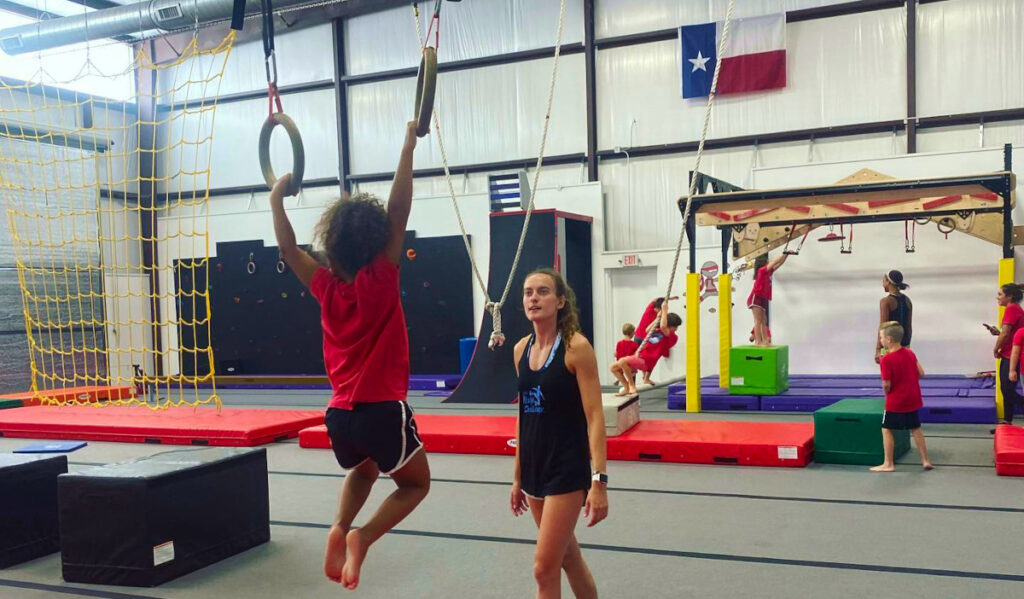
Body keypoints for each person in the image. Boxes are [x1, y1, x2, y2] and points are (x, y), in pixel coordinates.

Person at [270, 121, 429, 590]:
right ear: (378, 243)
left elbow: (288, 248)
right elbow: (399, 210)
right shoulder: (380, 278)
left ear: (333, 252)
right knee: (415, 483)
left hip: (339, 416)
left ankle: (338, 526)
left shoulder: (326, 289)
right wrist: (406, 144)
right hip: (382, 408)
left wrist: (277, 201)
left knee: (364, 468)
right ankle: (362, 536)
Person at [511, 268, 608, 599]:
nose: (534, 298)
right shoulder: (520, 350)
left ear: (560, 301)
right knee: (568, 557)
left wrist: (599, 481)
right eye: (528, 292)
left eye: (542, 291)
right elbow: (524, 416)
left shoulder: (576, 348)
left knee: (543, 568)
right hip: (535, 468)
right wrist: (517, 477)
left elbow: (595, 417)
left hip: (566, 468)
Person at [872, 321, 933, 472]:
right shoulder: (910, 353)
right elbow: (922, 373)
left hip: (896, 400)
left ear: (889, 340)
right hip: (912, 397)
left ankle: (888, 463)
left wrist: (888, 393)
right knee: (916, 428)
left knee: (886, 429)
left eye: (881, 338)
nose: (880, 341)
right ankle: (925, 460)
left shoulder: (886, 359)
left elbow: (886, 384)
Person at [609, 301, 682, 396]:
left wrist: (664, 310)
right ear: (670, 325)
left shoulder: (672, 337)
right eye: (675, 326)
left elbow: (664, 327)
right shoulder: (658, 330)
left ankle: (631, 385)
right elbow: (647, 330)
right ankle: (626, 387)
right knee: (613, 368)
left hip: (647, 361)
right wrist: (657, 318)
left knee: (623, 361)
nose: (676, 329)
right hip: (641, 357)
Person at [988, 283, 1024, 427]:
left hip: (1011, 354)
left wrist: (996, 348)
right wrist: (998, 332)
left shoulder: (1012, 309)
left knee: (1007, 389)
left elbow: (1006, 333)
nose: (997, 298)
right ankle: (1007, 420)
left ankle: (1009, 418)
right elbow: (1011, 333)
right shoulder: (1016, 309)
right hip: (1010, 352)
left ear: (1010, 297)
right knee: (1006, 388)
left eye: (1000, 294)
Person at [632, 296, 677, 386]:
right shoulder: (657, 314)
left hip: (642, 336)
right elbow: (663, 326)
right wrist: (665, 309)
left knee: (645, 357)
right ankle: (641, 379)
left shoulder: (654, 312)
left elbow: (655, 300)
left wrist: (668, 299)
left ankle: (642, 378)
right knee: (644, 358)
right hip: (643, 337)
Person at [748, 253, 788, 346]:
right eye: (767, 261)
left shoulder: (768, 272)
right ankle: (758, 342)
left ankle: (765, 341)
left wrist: (786, 256)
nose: (769, 261)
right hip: (755, 298)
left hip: (761, 298)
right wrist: (783, 253)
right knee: (758, 320)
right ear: (764, 263)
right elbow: (775, 262)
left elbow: (779, 263)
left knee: (763, 320)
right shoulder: (761, 271)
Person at [875, 270, 912, 363]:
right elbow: (908, 326)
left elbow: (883, 327)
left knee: (890, 376)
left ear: (888, 282)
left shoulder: (885, 301)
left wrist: (878, 349)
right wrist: (907, 347)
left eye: (883, 281)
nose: (882, 284)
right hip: (904, 345)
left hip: (889, 346)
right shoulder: (908, 301)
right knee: (902, 375)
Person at [614, 324, 639, 393]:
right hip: (629, 366)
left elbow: (616, 354)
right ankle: (632, 386)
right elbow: (636, 355)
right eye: (634, 332)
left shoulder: (619, 343)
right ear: (631, 333)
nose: (634, 333)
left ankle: (622, 382)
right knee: (632, 374)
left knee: (620, 370)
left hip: (620, 364)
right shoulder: (634, 344)